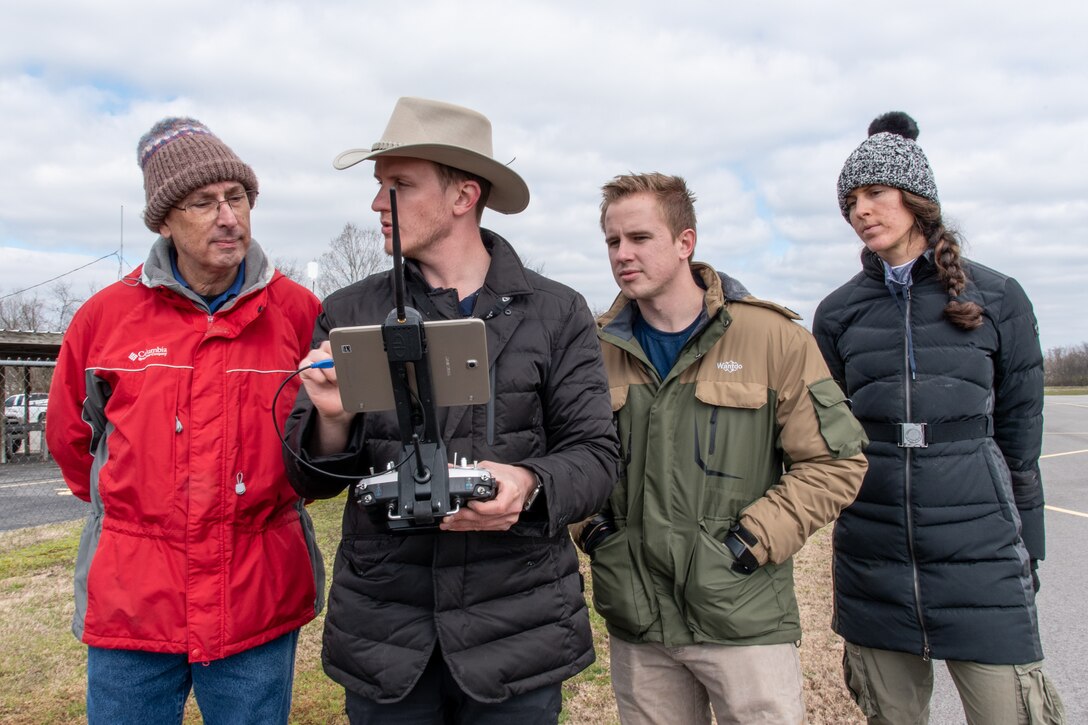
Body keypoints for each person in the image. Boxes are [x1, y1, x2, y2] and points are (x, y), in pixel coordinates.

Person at [283, 97, 619, 724]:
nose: (378, 204)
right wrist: (331, 419)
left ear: (464, 196)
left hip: (516, 633)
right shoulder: (349, 312)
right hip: (388, 637)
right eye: (379, 187)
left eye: (399, 186)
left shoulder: (555, 312)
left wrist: (527, 484)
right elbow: (310, 481)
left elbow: (598, 459)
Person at [46, 118, 324, 725]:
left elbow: (325, 436)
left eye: (238, 198)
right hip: (132, 602)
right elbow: (73, 439)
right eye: (204, 202)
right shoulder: (104, 319)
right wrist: (136, 517)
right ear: (165, 220)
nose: (228, 216)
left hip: (256, 596)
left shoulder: (300, 315)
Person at [573, 172, 869, 724]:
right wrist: (593, 533)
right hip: (639, 623)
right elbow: (568, 458)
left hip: (743, 618)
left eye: (639, 238)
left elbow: (835, 462)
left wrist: (747, 544)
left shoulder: (772, 338)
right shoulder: (592, 350)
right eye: (612, 241)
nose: (622, 254)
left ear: (686, 243)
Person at [813, 111, 1066, 724]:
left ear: (917, 199)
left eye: (875, 193)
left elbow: (1019, 438)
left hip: (981, 552)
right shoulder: (838, 313)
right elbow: (820, 437)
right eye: (850, 200)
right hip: (874, 554)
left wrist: (1026, 549)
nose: (861, 210)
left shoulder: (999, 298)